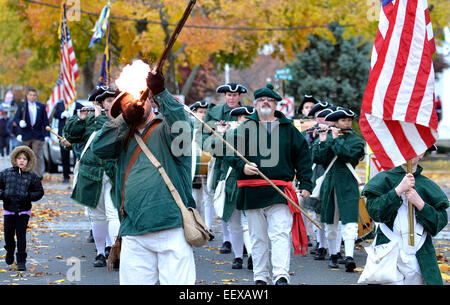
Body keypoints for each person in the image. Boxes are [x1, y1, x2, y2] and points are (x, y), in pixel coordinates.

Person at [91, 69, 196, 285]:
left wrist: (162, 92)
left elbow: (182, 126)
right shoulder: (120, 137)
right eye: (127, 102)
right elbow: (98, 147)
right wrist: (124, 121)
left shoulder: (167, 129)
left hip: (172, 226)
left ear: (149, 100)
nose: (134, 102)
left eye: (138, 96)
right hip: (134, 230)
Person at [224, 83, 313, 285]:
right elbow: (229, 152)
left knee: (280, 234)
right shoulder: (245, 127)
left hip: (280, 191)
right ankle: (260, 277)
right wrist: (242, 167)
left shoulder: (289, 130)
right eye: (262, 100)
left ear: (275, 105)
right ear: (255, 105)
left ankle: (281, 275)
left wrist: (306, 184)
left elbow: (303, 158)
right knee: (257, 238)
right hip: (253, 191)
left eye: (270, 100)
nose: (266, 103)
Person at [361, 145, 448, 285]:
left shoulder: (427, 185)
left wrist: (420, 204)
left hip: (420, 254)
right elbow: (375, 212)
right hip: (388, 251)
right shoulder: (384, 179)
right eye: (403, 147)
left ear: (421, 154)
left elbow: (438, 223)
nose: (406, 152)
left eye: (413, 148)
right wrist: (398, 191)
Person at [63, 86, 120, 268]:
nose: (111, 104)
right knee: (97, 217)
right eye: (108, 101)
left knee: (114, 215)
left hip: (113, 173)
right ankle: (100, 252)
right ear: (101, 103)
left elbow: (110, 129)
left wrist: (99, 117)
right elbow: (70, 135)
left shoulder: (120, 118)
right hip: (91, 173)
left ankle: (114, 251)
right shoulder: (87, 116)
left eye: (114, 100)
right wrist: (80, 119)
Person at [311, 107, 365, 272]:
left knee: (350, 222)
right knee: (330, 222)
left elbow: (347, 155)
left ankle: (349, 256)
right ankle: (333, 254)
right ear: (334, 123)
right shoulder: (327, 137)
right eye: (343, 121)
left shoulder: (356, 141)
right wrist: (321, 140)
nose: (347, 123)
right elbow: (318, 158)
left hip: (348, 183)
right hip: (330, 183)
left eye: (349, 120)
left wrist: (334, 139)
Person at [202, 82, 248, 254]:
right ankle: (228, 240)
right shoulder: (214, 113)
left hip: (243, 163)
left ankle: (243, 241)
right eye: (229, 95)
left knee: (241, 203)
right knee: (223, 199)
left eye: (235, 95)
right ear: (224, 96)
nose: (232, 98)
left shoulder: (248, 113)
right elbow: (203, 137)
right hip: (222, 162)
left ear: (240, 96)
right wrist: (215, 146)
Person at [216, 105, 255, 270]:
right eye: (242, 119)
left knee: (248, 223)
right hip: (232, 182)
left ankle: (252, 255)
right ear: (237, 120)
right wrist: (221, 134)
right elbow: (218, 154)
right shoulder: (230, 136)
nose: (244, 121)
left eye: (248, 119)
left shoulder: (258, 137)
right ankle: (238, 257)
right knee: (234, 224)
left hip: (251, 183)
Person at [1, 146, 44, 271]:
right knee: (8, 234)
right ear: (15, 159)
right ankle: (9, 249)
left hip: (23, 210)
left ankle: (21, 260)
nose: (21, 161)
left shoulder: (32, 176)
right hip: (9, 209)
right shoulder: (5, 174)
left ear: (28, 161)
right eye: (19, 158)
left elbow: (39, 192)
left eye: (24, 159)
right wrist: (4, 195)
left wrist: (28, 196)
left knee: (21, 235)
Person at [13, 88, 49, 178]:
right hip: (26, 134)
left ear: (36, 96)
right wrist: (20, 123)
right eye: (30, 95)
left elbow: (45, 122)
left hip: (38, 135)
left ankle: (37, 176)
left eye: (34, 95)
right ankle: (25, 174)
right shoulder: (22, 106)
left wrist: (47, 135)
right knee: (25, 155)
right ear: (27, 96)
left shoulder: (41, 106)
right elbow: (16, 118)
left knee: (37, 154)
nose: (32, 97)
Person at [190, 100, 215, 229]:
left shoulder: (211, 127)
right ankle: (197, 226)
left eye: (205, 112)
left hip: (207, 166)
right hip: (193, 167)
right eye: (200, 112)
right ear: (194, 112)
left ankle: (208, 227)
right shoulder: (189, 126)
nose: (203, 115)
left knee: (208, 195)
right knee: (195, 197)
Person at [53, 99, 83, 183]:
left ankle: (76, 175)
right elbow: (55, 115)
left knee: (76, 155)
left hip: (75, 134)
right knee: (64, 155)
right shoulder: (60, 104)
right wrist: (61, 114)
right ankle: (66, 176)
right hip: (63, 133)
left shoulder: (79, 105)